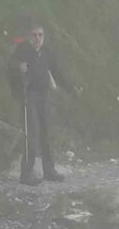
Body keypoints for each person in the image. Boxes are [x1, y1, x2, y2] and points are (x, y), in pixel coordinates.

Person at [8, 23, 72, 184]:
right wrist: (18, 67)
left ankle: (49, 171)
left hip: (44, 95)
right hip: (28, 95)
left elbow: (56, 71)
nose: (37, 38)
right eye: (34, 35)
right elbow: (10, 65)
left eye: (40, 35)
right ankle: (26, 174)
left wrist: (71, 88)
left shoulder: (46, 52)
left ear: (44, 37)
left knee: (46, 133)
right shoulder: (23, 50)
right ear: (29, 37)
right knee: (32, 133)